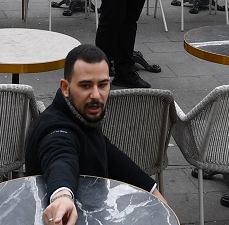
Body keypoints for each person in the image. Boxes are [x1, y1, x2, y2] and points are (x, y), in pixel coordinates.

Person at [26, 45, 165, 225]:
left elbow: (106, 150)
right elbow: (60, 158)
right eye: (85, 85)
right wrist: (62, 197)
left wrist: (151, 189)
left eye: (102, 85)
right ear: (65, 87)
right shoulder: (56, 129)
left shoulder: (81, 115)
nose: (96, 95)